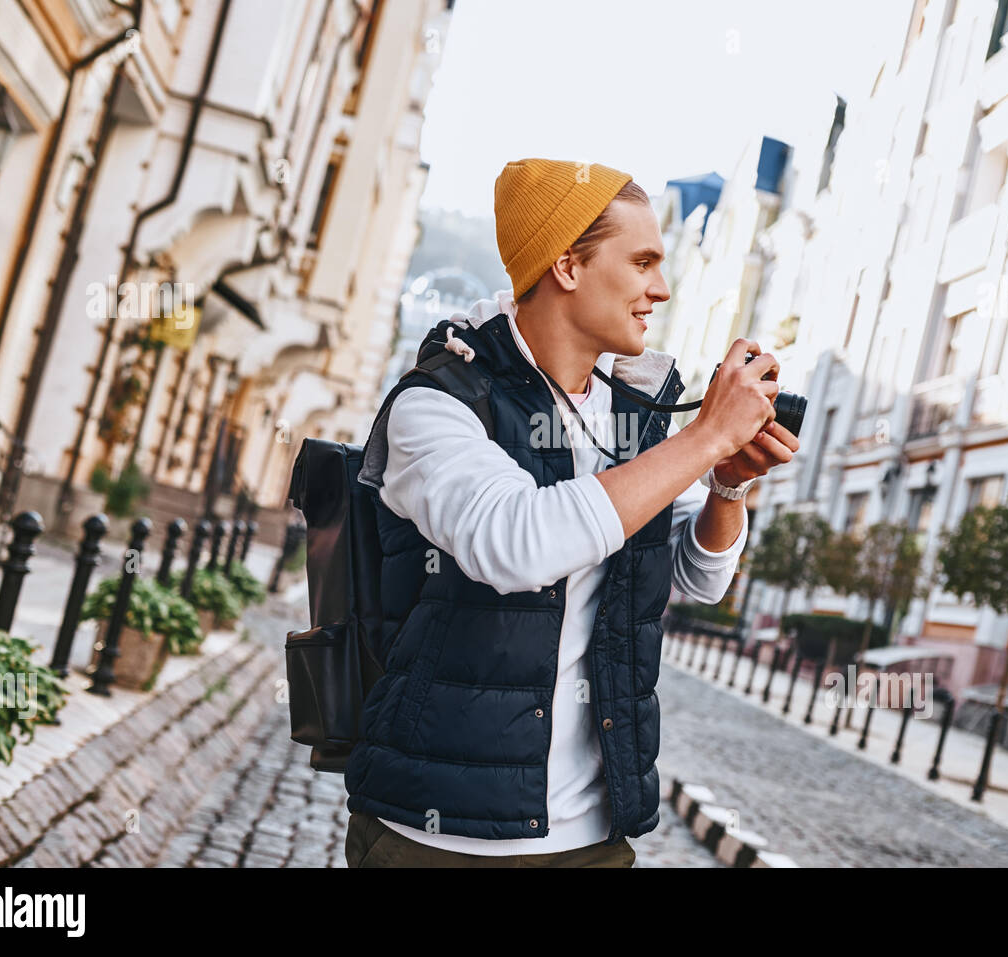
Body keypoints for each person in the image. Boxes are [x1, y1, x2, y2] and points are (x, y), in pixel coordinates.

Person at [341, 158, 798, 867]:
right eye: (643, 261)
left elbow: (692, 577)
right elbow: (515, 546)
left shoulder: (633, 417)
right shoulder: (440, 401)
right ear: (568, 267)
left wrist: (727, 485)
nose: (661, 288)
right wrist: (704, 438)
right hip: (437, 835)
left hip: (591, 838)